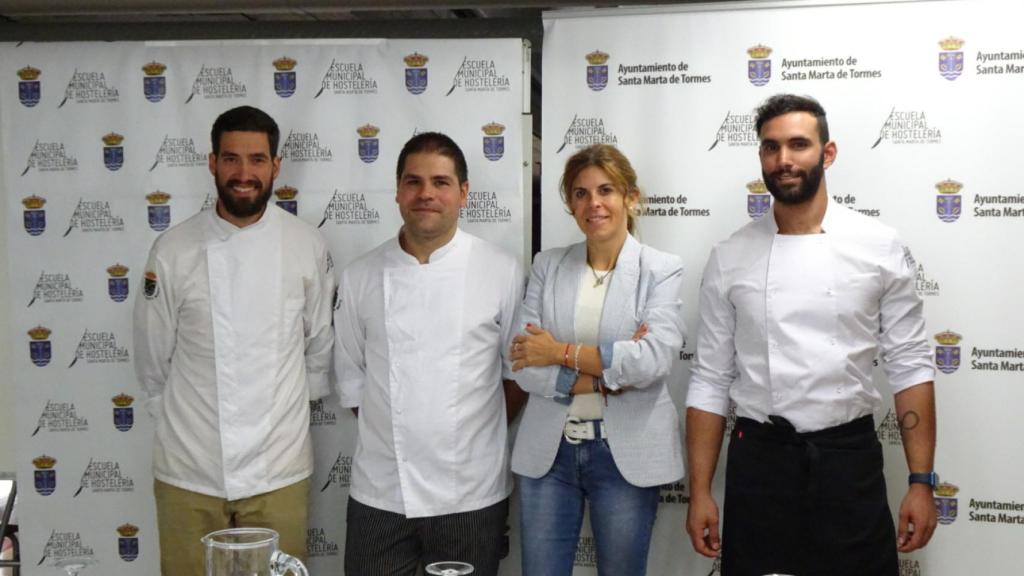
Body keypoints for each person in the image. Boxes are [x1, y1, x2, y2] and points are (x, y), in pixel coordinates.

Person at [684, 94, 938, 576]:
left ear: (828, 152)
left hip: (849, 459)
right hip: (760, 461)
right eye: (771, 147)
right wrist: (699, 493)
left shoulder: (878, 246)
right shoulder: (730, 256)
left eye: (799, 144)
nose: (784, 160)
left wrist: (922, 481)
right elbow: (710, 380)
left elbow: (910, 366)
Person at [133, 105, 335, 574]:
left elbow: (319, 349)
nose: (244, 173)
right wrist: (190, 432)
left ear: (275, 166)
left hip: (278, 468)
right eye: (231, 159)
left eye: (257, 159)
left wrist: (273, 419)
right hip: (189, 469)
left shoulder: (306, 245)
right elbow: (151, 360)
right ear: (212, 163)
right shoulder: (172, 250)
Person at [333, 132, 525, 576]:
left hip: (470, 493)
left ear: (464, 193)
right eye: (414, 182)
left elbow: (516, 376)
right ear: (398, 191)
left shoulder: (501, 270)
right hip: (379, 493)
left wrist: (464, 439)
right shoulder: (361, 275)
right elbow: (353, 379)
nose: (426, 194)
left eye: (440, 182)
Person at [510, 144, 685, 576]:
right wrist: (605, 377)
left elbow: (653, 360)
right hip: (548, 456)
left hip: (624, 452)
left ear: (630, 197)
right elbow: (524, 363)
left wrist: (559, 352)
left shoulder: (660, 269)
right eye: (580, 193)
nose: (594, 203)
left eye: (606, 190)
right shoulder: (548, 265)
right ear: (570, 204)